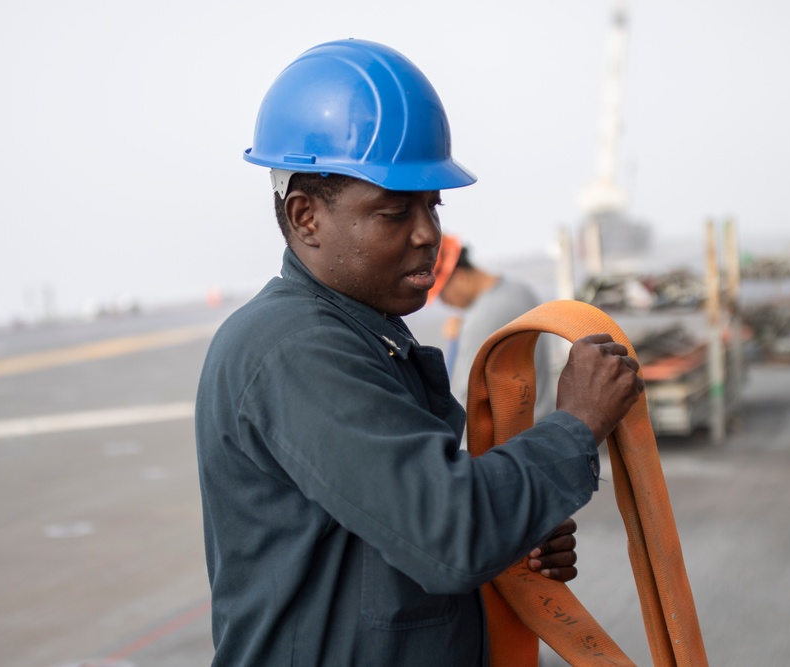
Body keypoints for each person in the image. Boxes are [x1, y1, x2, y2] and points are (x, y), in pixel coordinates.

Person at [195, 38, 644, 666]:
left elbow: (397, 529)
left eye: (432, 204)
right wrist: (575, 426)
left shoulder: (364, 330)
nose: (429, 233)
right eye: (393, 212)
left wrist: (512, 534)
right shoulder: (294, 348)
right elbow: (447, 532)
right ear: (306, 218)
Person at [429, 234, 557, 434]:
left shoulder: (480, 321)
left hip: (511, 447)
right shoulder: (519, 289)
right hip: (540, 428)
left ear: (460, 277)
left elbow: (468, 405)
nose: (445, 304)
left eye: (442, 295)